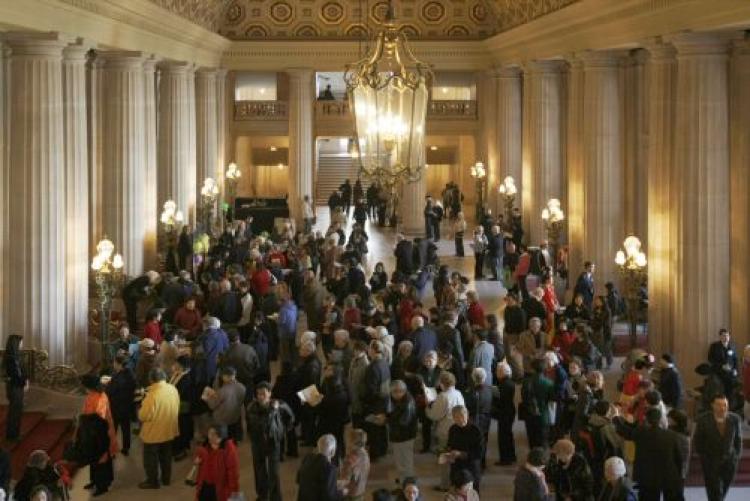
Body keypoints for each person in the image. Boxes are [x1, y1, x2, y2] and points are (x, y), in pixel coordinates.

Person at [613, 406, 684, 500]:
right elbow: (679, 458)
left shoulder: (641, 433)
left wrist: (616, 418)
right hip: (668, 474)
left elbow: (625, 432)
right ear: (660, 420)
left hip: (647, 477)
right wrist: (678, 475)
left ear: (646, 419)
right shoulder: (672, 436)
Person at [247, 381, 295, 501]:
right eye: (258, 394)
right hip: (258, 443)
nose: (260, 397)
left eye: (263, 393)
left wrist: (282, 431)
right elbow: (261, 424)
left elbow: (291, 417)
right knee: (260, 472)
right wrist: (273, 411)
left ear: (270, 394)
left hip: (273, 443)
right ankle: (262, 496)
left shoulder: (280, 405)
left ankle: (275, 498)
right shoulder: (252, 408)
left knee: (274, 473)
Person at [693, 394, 743, 501]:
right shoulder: (703, 420)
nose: (722, 408)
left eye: (725, 405)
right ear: (713, 405)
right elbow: (698, 440)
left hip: (729, 462)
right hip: (710, 462)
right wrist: (704, 457)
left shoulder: (735, 419)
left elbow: (738, 440)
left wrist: (736, 457)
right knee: (714, 490)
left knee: (722, 490)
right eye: (719, 405)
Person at [138, 368, 180, 489]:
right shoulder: (173, 389)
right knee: (166, 457)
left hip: (153, 433)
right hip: (168, 429)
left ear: (151, 379)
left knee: (151, 459)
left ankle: (152, 482)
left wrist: (140, 409)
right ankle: (166, 479)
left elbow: (143, 416)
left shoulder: (152, 395)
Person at [80, 374, 118, 496]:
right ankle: (94, 480)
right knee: (94, 457)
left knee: (102, 458)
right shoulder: (94, 395)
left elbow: (99, 418)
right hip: (93, 431)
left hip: (100, 432)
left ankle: (103, 485)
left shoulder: (100, 397)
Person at [427, 371, 465, 491]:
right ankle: (456, 483)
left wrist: (427, 407)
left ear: (442, 383)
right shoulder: (458, 393)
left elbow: (435, 415)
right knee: (455, 459)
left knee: (445, 459)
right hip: (458, 429)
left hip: (446, 431)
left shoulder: (443, 396)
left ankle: (445, 485)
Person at [193, 424, 240, 501]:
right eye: (209, 434)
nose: (210, 436)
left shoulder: (229, 450)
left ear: (220, 436)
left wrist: (234, 496)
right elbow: (198, 456)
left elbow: (233, 475)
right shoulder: (205, 447)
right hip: (205, 487)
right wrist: (197, 460)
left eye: (212, 434)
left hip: (220, 489)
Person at [362, 340, 391, 461]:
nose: (368, 351)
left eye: (369, 348)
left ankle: (375, 454)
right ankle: (383, 449)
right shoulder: (384, 362)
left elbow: (371, 390)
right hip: (384, 400)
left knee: (374, 430)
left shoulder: (372, 367)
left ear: (373, 350)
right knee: (382, 427)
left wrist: (364, 400)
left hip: (375, 403)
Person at [297, 434, 347, 500]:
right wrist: (342, 492)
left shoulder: (307, 459)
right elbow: (329, 497)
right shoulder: (330, 469)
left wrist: (334, 483)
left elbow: (298, 479)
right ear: (332, 452)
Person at [445, 406, 483, 492]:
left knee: (472, 494)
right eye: (457, 417)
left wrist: (461, 454)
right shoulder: (453, 429)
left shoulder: (475, 430)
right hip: (456, 468)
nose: (460, 419)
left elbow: (479, 453)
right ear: (453, 418)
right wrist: (448, 454)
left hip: (471, 468)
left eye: (462, 416)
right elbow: (449, 445)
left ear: (467, 415)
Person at [205, 366, 247, 442]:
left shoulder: (222, 391)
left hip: (222, 418)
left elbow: (212, 406)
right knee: (232, 437)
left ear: (226, 377)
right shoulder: (242, 387)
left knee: (223, 439)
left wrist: (208, 397)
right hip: (235, 416)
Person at [520, 358, 555, 449]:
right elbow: (552, 400)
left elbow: (524, 398)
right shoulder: (549, 383)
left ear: (532, 368)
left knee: (532, 441)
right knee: (543, 441)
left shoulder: (526, 382)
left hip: (530, 414)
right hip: (544, 415)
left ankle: (533, 460)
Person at [106, 354, 136, 456]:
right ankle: (126, 448)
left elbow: (110, 390)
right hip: (127, 406)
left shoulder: (118, 377)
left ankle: (112, 450)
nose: (113, 364)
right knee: (126, 428)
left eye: (115, 362)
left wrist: (108, 385)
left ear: (119, 364)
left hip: (116, 406)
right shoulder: (130, 373)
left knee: (113, 429)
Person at [388, 380, 418, 484]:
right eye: (392, 392)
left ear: (402, 391)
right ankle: (403, 478)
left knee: (405, 460)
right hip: (399, 435)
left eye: (396, 392)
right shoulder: (400, 400)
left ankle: (408, 482)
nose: (394, 395)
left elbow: (403, 422)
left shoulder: (408, 403)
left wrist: (386, 419)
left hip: (404, 436)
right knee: (400, 459)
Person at [464, 368, 492, 469]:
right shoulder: (490, 389)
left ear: (473, 378)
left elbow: (468, 406)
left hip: (475, 419)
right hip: (486, 419)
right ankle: (483, 462)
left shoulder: (471, 392)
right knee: (484, 440)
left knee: (474, 442)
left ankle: (476, 463)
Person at [169, 356, 195, 460]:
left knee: (182, 427)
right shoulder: (178, 374)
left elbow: (179, 392)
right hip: (176, 405)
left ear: (182, 366)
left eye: (177, 364)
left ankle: (181, 449)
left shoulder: (186, 378)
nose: (174, 366)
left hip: (183, 407)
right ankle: (177, 447)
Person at [221, 330, 259, 401]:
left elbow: (223, 369)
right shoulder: (249, 348)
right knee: (248, 401)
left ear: (228, 340)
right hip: (248, 380)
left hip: (233, 383)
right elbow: (257, 365)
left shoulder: (226, 352)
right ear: (239, 338)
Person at [492, 362, 517, 466]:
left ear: (501, 372)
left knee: (503, 437)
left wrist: (494, 397)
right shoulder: (510, 382)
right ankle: (511, 456)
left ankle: (505, 459)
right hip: (509, 411)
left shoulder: (503, 385)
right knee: (508, 434)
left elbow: (500, 400)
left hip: (504, 413)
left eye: (497, 371)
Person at [3, 334, 28, 441]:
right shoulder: (11, 358)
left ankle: (15, 433)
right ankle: (12, 435)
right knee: (15, 411)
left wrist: (25, 380)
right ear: (15, 343)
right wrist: (24, 382)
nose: (21, 344)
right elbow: (16, 375)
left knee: (17, 411)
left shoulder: (16, 356)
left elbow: (22, 371)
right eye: (20, 342)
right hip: (15, 387)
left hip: (17, 386)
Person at [708, 329, 740, 405]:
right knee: (719, 392)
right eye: (724, 335)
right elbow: (710, 359)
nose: (726, 337)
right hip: (719, 373)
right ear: (720, 337)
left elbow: (736, 359)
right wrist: (722, 366)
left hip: (730, 374)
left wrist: (736, 370)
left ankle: (729, 408)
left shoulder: (732, 346)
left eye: (727, 335)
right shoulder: (714, 346)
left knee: (730, 392)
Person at [339, 428, 370, 501]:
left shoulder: (351, 458)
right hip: (361, 490)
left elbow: (345, 480)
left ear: (351, 441)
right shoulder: (365, 454)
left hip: (350, 493)